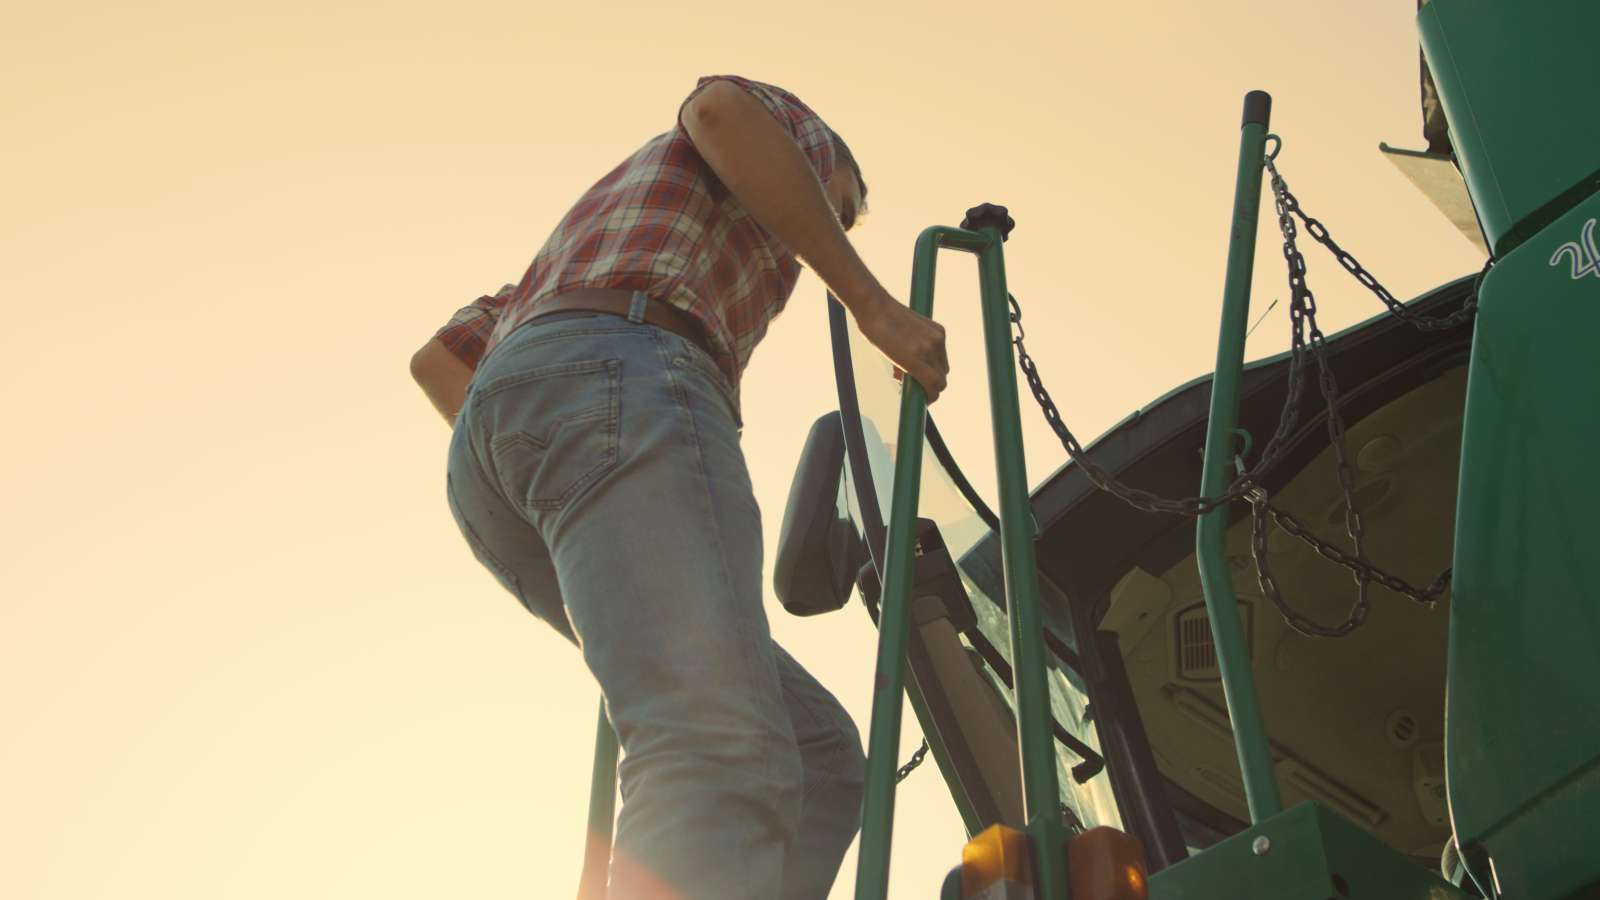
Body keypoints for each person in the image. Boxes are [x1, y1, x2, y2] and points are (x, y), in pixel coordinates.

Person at [409, 75, 950, 899]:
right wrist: (875, 306)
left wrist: (556, 446)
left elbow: (440, 361)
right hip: (625, 362)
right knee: (713, 745)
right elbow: (722, 110)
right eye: (833, 208)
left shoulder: (576, 261)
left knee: (817, 754)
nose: (821, 231)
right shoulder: (785, 137)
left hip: (499, 459)